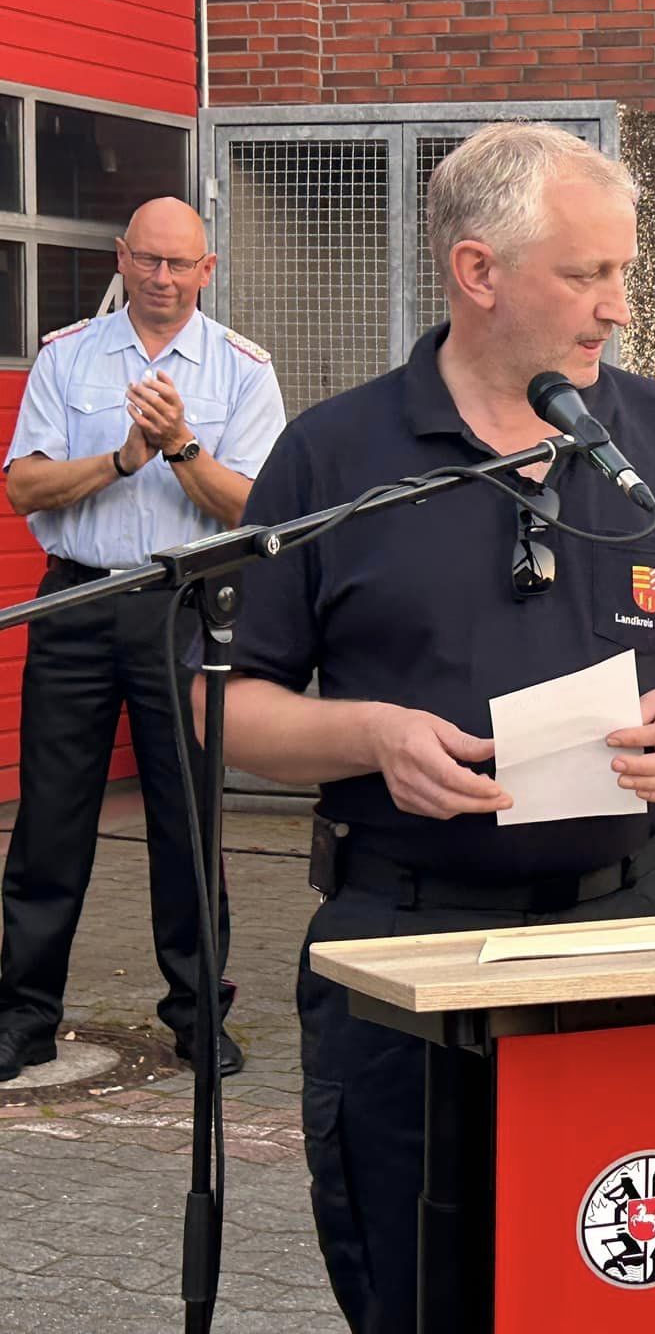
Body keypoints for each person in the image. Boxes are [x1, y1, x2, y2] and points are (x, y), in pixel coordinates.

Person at [216, 124, 655, 1333]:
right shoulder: (336, 453)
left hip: (636, 925)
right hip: (409, 944)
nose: (617, 307)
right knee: (418, 1288)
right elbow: (228, 704)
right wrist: (370, 736)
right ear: (477, 271)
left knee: (644, 1290)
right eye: (586, 275)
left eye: (621, 272)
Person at [0, 197, 285, 1084]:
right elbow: (24, 487)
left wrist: (180, 445)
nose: (163, 278)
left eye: (180, 264)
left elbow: (257, 511)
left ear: (208, 269)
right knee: (50, 821)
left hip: (184, 606)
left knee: (187, 818)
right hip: (77, 600)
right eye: (148, 260)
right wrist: (122, 459)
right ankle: (24, 1017)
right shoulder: (68, 356)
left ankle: (198, 1017)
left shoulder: (243, 370)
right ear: (122, 258)